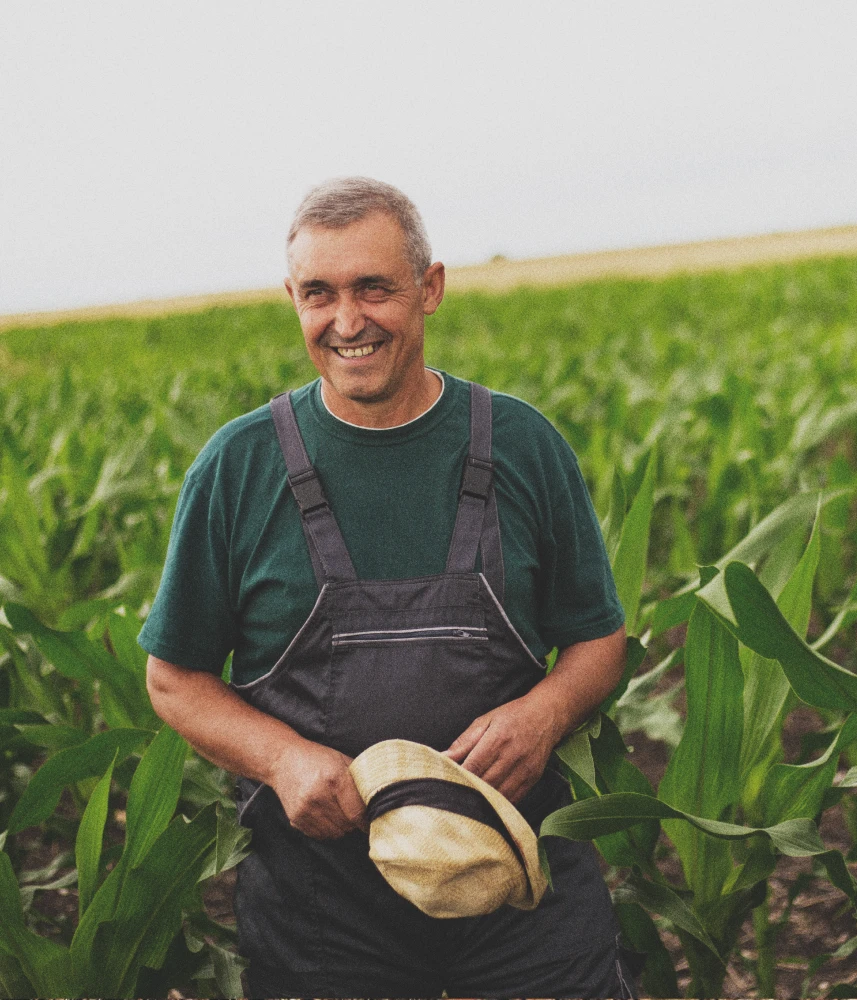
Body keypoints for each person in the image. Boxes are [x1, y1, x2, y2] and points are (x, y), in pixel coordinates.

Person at [141, 176, 637, 999]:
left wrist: (543, 714)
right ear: (292, 301)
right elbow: (174, 678)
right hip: (322, 899)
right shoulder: (238, 467)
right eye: (319, 294)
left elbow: (598, 636)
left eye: (374, 287)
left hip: (517, 868)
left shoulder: (520, 444)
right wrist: (285, 760)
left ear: (430, 287)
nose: (347, 321)